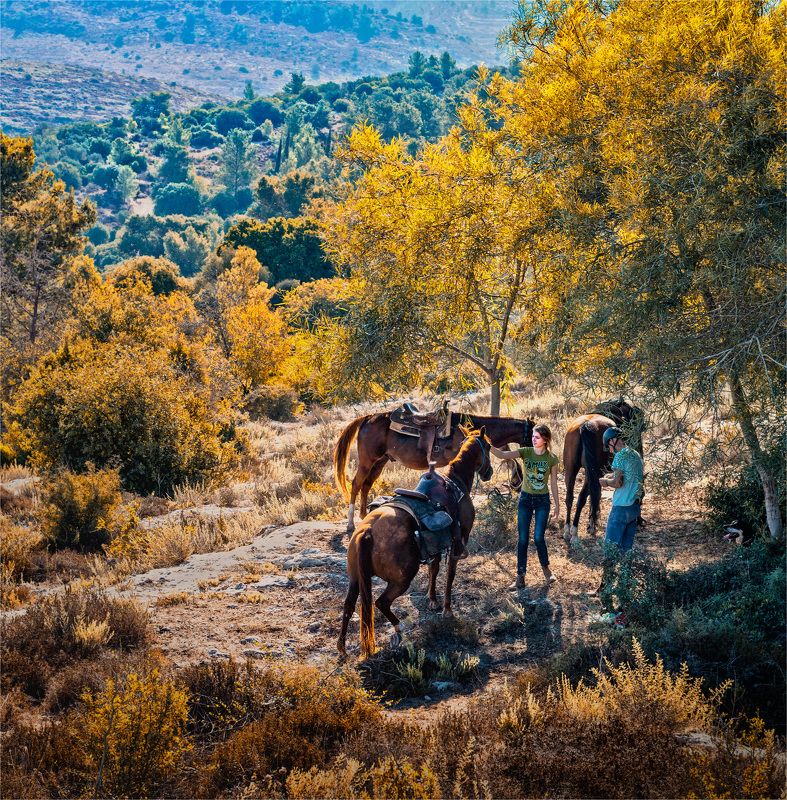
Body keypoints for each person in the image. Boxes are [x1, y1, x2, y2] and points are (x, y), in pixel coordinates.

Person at [490, 424, 560, 590]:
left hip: (543, 501)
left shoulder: (552, 459)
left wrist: (557, 505)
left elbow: (554, 483)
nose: (533, 439)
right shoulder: (526, 452)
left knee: (538, 538)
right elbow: (502, 454)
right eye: (533, 436)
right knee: (522, 539)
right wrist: (487, 444)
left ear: (545, 440)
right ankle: (520, 577)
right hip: (525, 500)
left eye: (537, 437)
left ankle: (547, 570)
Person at [600, 426, 644, 550]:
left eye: (608, 445)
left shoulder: (619, 456)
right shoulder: (635, 454)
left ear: (613, 441)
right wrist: (612, 475)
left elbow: (617, 483)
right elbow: (628, 476)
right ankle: (626, 569)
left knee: (610, 548)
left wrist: (606, 482)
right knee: (626, 550)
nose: (609, 449)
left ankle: (609, 570)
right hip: (634, 508)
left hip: (621, 507)